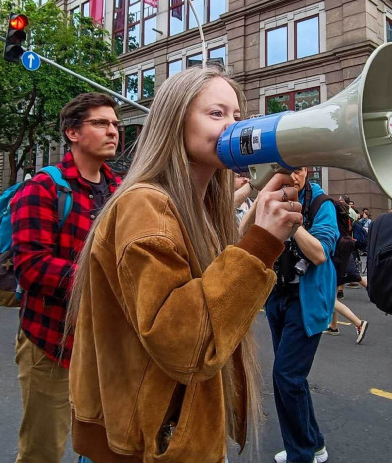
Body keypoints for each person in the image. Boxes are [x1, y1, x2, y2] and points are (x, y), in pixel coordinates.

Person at [67, 67, 301, 463]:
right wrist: (261, 243)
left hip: (167, 435)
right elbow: (187, 343)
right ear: (175, 121)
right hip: (145, 445)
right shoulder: (146, 205)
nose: (232, 126)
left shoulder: (199, 207)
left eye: (237, 116)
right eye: (216, 113)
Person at [11, 92, 122, 463]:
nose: (113, 131)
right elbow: (31, 266)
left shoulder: (122, 189)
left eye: (115, 124)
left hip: (106, 345)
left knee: (107, 446)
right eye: (101, 123)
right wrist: (103, 281)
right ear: (73, 133)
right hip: (52, 342)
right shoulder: (42, 188)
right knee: (42, 451)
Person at [254, 166, 338, 463]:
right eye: (285, 169)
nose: (292, 176)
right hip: (278, 296)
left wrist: (292, 221)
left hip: (307, 299)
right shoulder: (271, 197)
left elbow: (320, 253)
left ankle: (300, 454)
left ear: (307, 172)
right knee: (292, 378)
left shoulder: (321, 203)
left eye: (298, 169)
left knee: (286, 376)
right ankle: (313, 444)